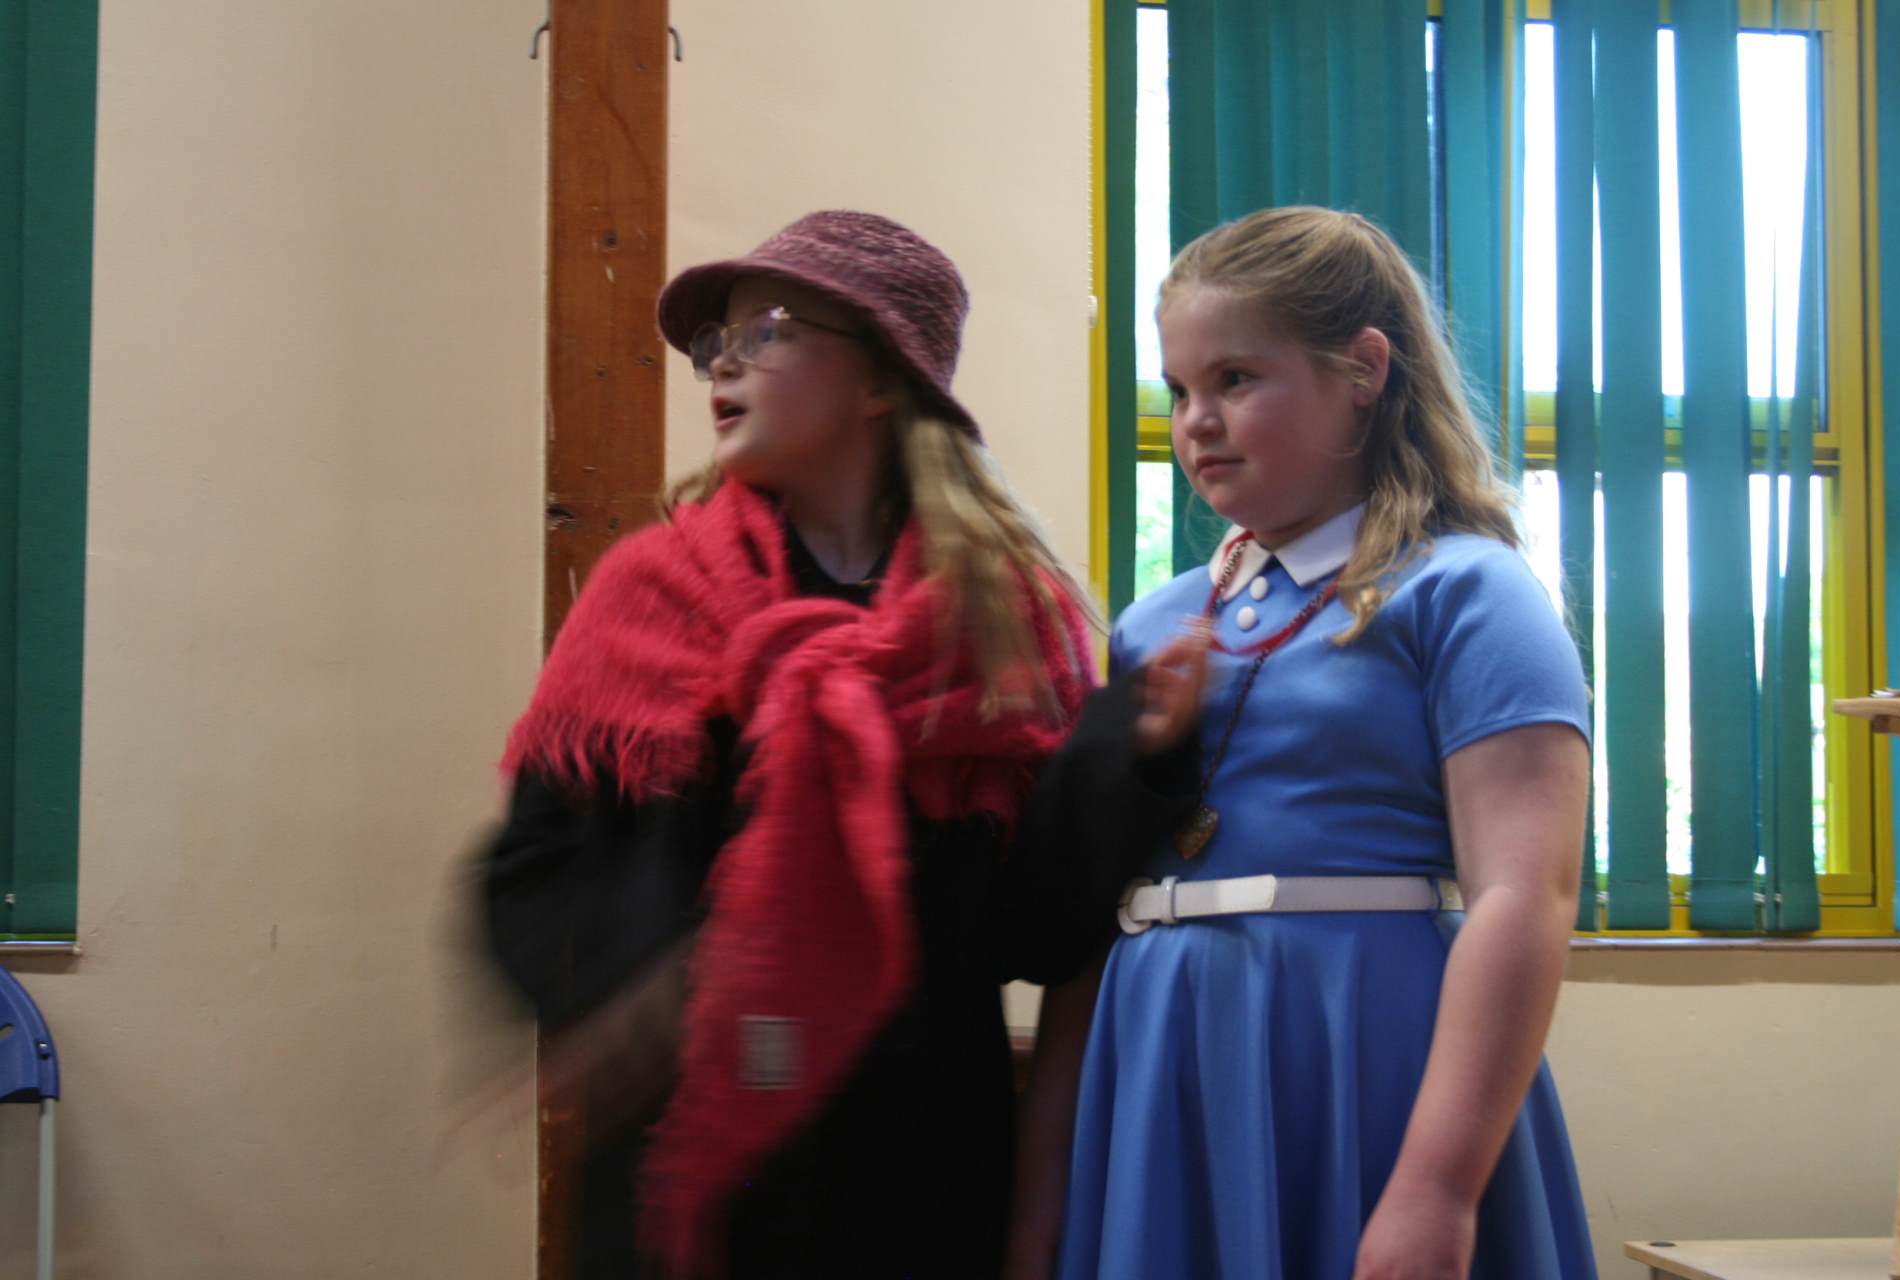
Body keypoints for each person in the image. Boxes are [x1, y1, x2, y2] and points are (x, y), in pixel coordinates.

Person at [478, 210, 1198, 1279]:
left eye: (766, 330)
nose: (723, 361)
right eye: (715, 341)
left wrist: (1131, 759)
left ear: (878, 380)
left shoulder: (1005, 619)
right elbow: (529, 869)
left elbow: (1034, 934)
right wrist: (644, 984)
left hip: (917, 1174)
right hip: (695, 1173)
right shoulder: (652, 595)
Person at [1019, 206, 1598, 1280]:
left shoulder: (1467, 592)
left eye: (1236, 378)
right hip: (1164, 1072)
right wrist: (1045, 1180)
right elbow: (1093, 919)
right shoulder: (1154, 626)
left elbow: (1526, 894)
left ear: (1364, 370)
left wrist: (1437, 1187)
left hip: (1364, 1063)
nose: (1197, 421)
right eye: (1179, 388)